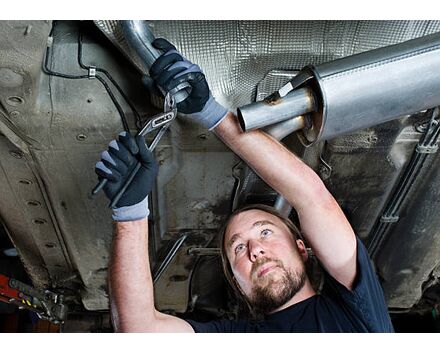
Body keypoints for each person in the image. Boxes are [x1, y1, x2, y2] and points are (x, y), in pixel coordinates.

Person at [95, 38, 394, 333]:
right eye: (237, 248)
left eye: (265, 232)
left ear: (302, 248)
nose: (255, 250)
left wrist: (209, 111)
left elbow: (312, 196)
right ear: (236, 282)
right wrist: (129, 213)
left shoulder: (355, 313)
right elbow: (140, 330)